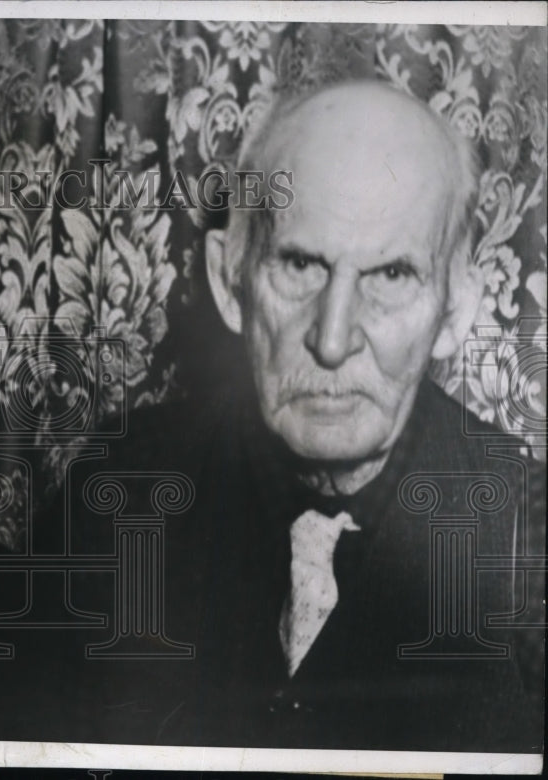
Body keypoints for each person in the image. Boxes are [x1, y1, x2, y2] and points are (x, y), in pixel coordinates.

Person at [54, 81, 545, 751]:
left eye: (392, 275)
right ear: (232, 284)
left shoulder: (529, 540)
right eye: (301, 264)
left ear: (456, 312)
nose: (334, 338)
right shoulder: (111, 494)